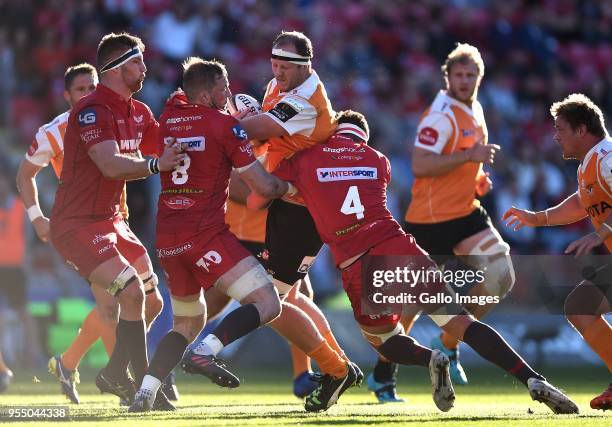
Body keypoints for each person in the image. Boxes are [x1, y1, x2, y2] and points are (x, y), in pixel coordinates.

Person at [248, 110, 579, 415]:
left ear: (334, 131)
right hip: (401, 249)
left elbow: (265, 193)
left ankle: (429, 358)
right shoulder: (379, 161)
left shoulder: (308, 158)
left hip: (360, 266)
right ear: (363, 138)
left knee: (387, 342)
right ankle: (532, 378)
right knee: (460, 323)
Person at [135, 58, 357, 413]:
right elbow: (261, 186)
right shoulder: (226, 126)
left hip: (169, 240)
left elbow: (164, 132)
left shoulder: (170, 118)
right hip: (212, 237)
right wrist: (304, 191)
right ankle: (210, 353)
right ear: (207, 94)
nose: (230, 94)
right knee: (272, 302)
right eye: (224, 89)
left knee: (188, 320)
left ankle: (145, 390)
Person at [367, 42, 514, 401]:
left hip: (465, 212)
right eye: (458, 74)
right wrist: (469, 156)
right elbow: (420, 164)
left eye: (471, 75)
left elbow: (462, 162)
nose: (464, 80)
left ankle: (447, 343)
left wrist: (474, 176)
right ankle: (382, 375)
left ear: (479, 77)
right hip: (429, 221)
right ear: (447, 77)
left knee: (501, 276)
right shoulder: (440, 115)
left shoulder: (474, 107)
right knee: (412, 306)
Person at [48, 32, 183, 409]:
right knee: (131, 294)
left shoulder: (139, 111)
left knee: (153, 303)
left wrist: (187, 122)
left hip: (112, 220)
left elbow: (165, 144)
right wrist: (158, 164)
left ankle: (112, 373)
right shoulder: (90, 109)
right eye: (138, 62)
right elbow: (109, 165)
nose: (145, 68)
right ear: (116, 68)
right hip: (76, 223)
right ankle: (145, 388)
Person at [236, 30, 353, 399]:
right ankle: (334, 367)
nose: (278, 72)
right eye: (274, 64)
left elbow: (251, 129)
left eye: (285, 66)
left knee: (271, 300)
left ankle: (336, 369)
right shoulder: (280, 86)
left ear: (306, 67)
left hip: (297, 208)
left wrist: (224, 118)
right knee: (293, 298)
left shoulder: (304, 102)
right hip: (285, 200)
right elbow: (259, 136)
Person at [503, 93, 612, 411]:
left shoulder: (606, 156)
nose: (555, 136)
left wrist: (602, 232)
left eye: (560, 129)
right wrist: (537, 218)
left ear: (581, 129)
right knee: (579, 306)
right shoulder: (588, 165)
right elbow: (581, 203)